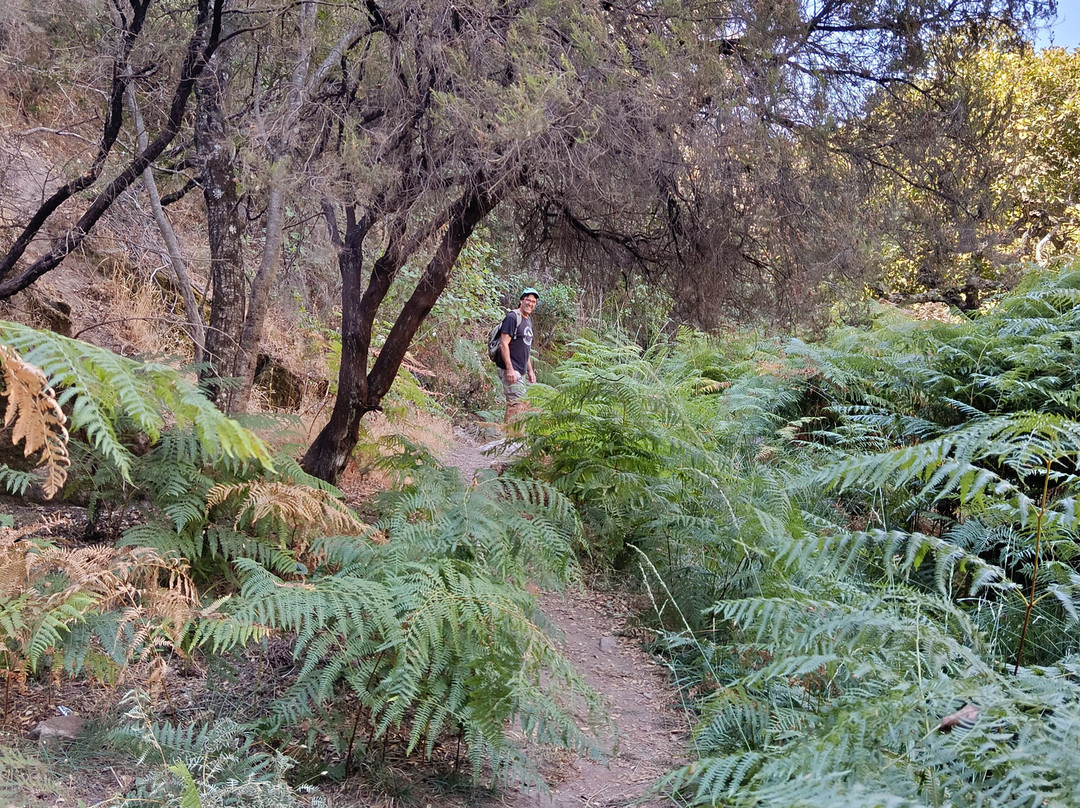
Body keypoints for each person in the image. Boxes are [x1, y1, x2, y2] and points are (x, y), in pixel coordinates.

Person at [495, 288, 538, 421]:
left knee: (514, 404)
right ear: (521, 300)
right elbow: (504, 343)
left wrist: (530, 371)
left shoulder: (527, 320)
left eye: (533, 302)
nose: (530, 304)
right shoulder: (513, 317)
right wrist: (509, 368)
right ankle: (514, 438)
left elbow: (525, 349)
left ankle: (508, 436)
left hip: (520, 370)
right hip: (511, 369)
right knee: (519, 404)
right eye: (528, 300)